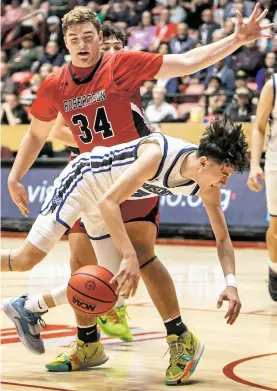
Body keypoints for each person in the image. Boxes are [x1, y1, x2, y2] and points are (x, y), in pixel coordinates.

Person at [3, 3, 273, 379]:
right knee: (84, 266)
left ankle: (178, 337)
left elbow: (189, 61)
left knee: (141, 256)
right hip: (93, 176)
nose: (82, 44)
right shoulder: (55, 84)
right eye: (74, 38)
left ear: (100, 39)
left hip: (140, 171)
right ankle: (86, 342)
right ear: (64, 42)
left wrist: (234, 40)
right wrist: (16, 177)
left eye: (89, 37)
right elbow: (36, 133)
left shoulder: (121, 65)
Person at [2, 116, 248, 384]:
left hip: (105, 200)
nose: (224, 182)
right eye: (223, 174)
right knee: (26, 259)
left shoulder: (206, 184)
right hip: (81, 181)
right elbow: (110, 203)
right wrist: (129, 256)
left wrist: (231, 283)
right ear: (204, 162)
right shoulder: (158, 154)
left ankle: (29, 306)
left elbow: (222, 238)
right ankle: (29, 307)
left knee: (109, 286)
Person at [247, 73, 277, 302]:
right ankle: (274, 268)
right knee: (276, 230)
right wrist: (255, 164)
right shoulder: (273, 85)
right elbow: (258, 127)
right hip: (276, 163)